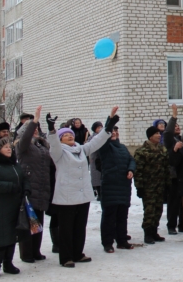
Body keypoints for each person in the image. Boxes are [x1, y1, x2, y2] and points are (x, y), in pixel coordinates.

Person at [47, 107, 116, 268]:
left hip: (83, 195)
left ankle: (78, 253)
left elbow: (97, 141)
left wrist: (109, 125)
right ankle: (66, 257)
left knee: (79, 226)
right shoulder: (58, 152)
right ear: (60, 139)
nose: (70, 136)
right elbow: (54, 145)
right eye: (65, 135)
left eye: (70, 134)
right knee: (66, 228)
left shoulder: (81, 149)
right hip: (66, 197)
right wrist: (52, 129)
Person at [0, 135, 30, 279]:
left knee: (12, 235)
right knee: (0, 237)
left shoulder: (14, 164)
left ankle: (8, 263)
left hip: (16, 206)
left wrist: (26, 188)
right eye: (6, 147)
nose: (9, 149)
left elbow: (24, 178)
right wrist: (10, 187)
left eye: (10, 147)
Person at [14, 106, 51, 263]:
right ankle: (26, 253)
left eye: (36, 129)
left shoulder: (41, 145)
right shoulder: (22, 146)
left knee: (38, 222)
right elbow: (26, 136)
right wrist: (34, 121)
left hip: (42, 188)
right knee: (28, 221)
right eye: (31, 129)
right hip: (28, 189)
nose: (35, 131)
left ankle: (36, 250)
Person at [94, 118, 136, 253]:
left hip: (123, 186)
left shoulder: (123, 147)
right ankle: (107, 243)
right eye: (111, 132)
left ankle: (122, 240)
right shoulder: (104, 147)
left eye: (116, 131)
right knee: (109, 217)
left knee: (122, 216)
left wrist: (131, 169)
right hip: (110, 186)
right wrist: (110, 122)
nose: (114, 133)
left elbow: (131, 160)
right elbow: (105, 137)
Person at [134, 124, 171, 245]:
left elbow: (166, 167)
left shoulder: (162, 149)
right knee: (149, 210)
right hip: (148, 186)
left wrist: (167, 184)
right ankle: (148, 233)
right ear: (150, 137)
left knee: (158, 210)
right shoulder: (141, 151)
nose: (159, 136)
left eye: (159, 134)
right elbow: (138, 170)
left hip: (160, 185)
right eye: (156, 134)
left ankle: (154, 231)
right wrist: (139, 186)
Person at [163, 105, 183, 236]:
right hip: (173, 176)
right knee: (174, 202)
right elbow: (167, 132)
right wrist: (174, 116)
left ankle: (182, 224)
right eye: (175, 126)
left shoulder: (182, 140)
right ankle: (171, 225)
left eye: (178, 126)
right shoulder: (169, 140)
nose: (177, 127)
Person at [87, 122, 104, 201]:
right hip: (95, 159)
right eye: (98, 127)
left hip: (102, 159)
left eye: (101, 127)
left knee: (101, 177)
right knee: (96, 178)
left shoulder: (103, 137)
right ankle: (98, 193)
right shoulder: (92, 137)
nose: (100, 129)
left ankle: (102, 193)